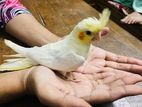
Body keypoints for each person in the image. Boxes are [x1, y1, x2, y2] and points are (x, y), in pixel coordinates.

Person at [1, 0, 142, 107]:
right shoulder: (77, 58)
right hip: (39, 57)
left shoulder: (77, 48)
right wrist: (26, 78)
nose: (97, 37)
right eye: (89, 33)